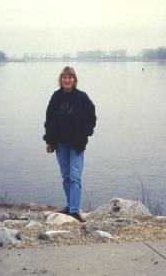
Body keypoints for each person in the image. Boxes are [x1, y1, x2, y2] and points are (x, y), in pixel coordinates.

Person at [43, 66, 96, 222]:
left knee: (75, 177)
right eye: (64, 77)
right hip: (60, 143)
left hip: (77, 143)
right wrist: (49, 141)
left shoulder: (82, 97)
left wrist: (87, 131)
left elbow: (92, 116)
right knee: (66, 176)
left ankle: (74, 211)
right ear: (61, 80)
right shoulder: (56, 97)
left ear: (74, 80)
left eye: (70, 77)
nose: (67, 80)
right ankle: (69, 206)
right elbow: (49, 120)